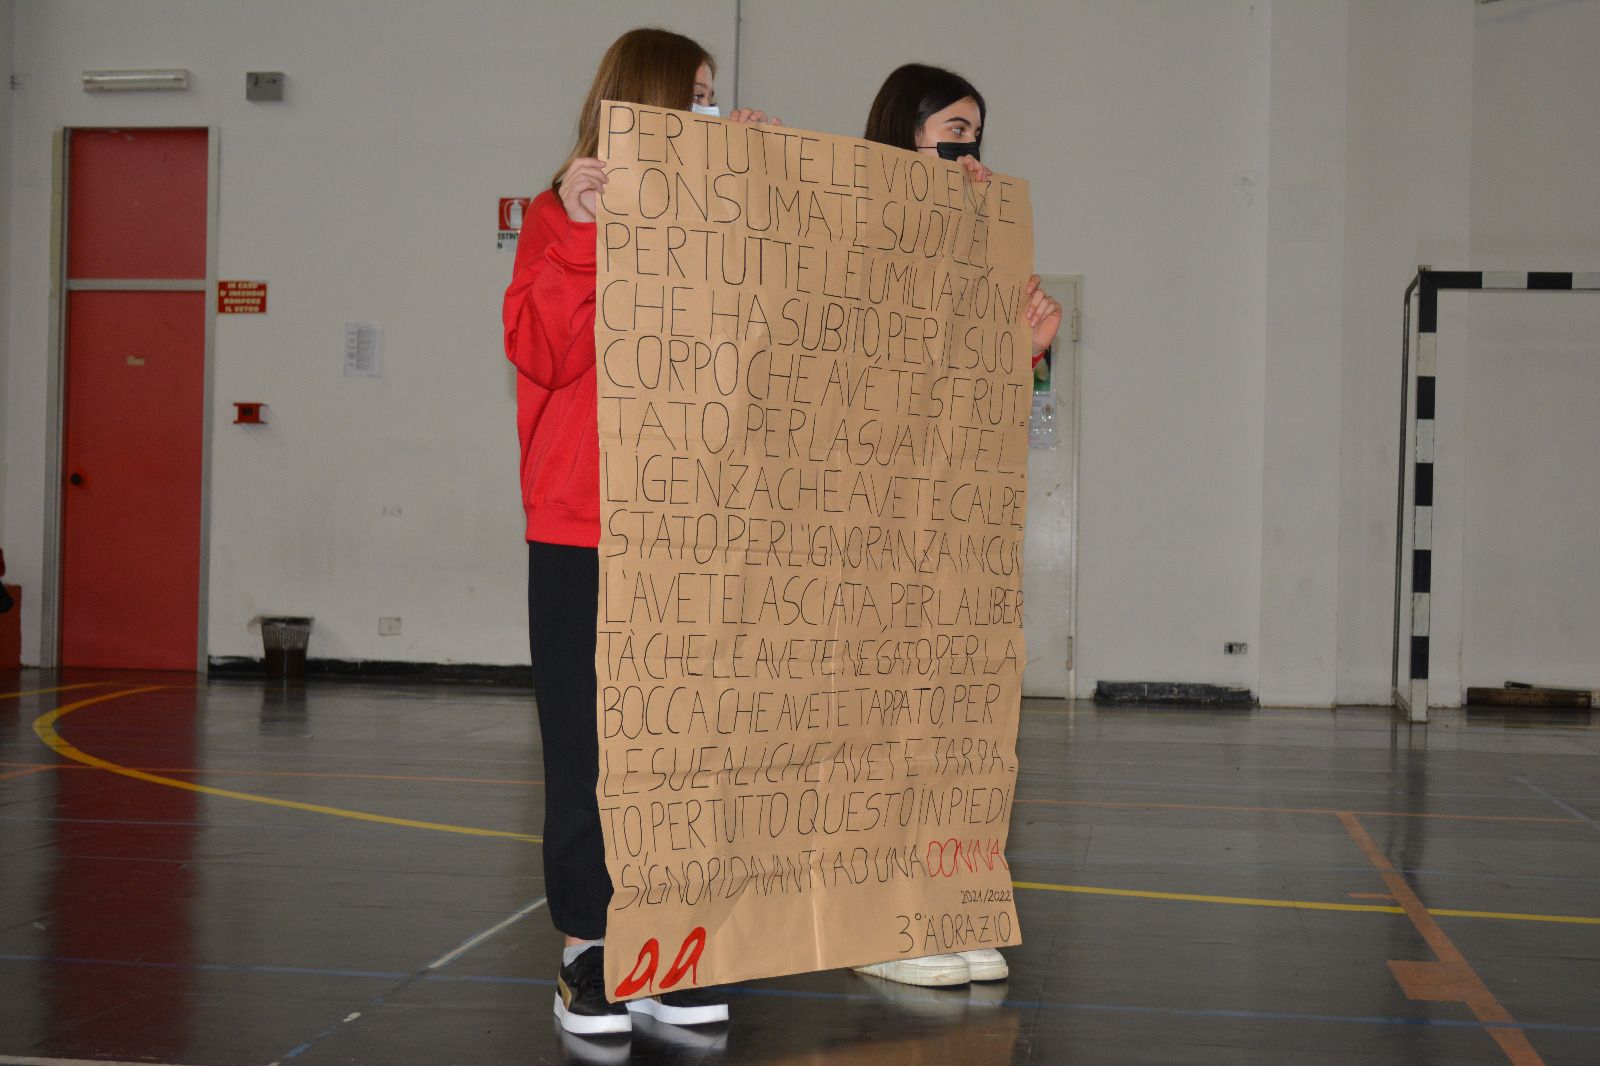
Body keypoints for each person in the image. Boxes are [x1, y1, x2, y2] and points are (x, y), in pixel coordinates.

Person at [502, 27, 779, 1036]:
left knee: (681, 748)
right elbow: (544, 351)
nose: (705, 110)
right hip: (583, 530)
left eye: (713, 97)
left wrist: (764, 187)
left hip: (692, 529)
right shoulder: (555, 214)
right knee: (586, 748)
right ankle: (588, 947)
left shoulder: (715, 211)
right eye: (692, 97)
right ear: (645, 103)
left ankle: (661, 947)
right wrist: (581, 230)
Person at [857, 62, 1062, 990]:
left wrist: (1025, 353)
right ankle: (880, 920)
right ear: (904, 133)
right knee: (887, 728)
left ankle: (947, 904)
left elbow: (969, 402)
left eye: (977, 134)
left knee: (951, 723)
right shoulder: (859, 234)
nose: (970, 151)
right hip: (874, 530)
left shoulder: (975, 250)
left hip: (946, 532)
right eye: (952, 131)